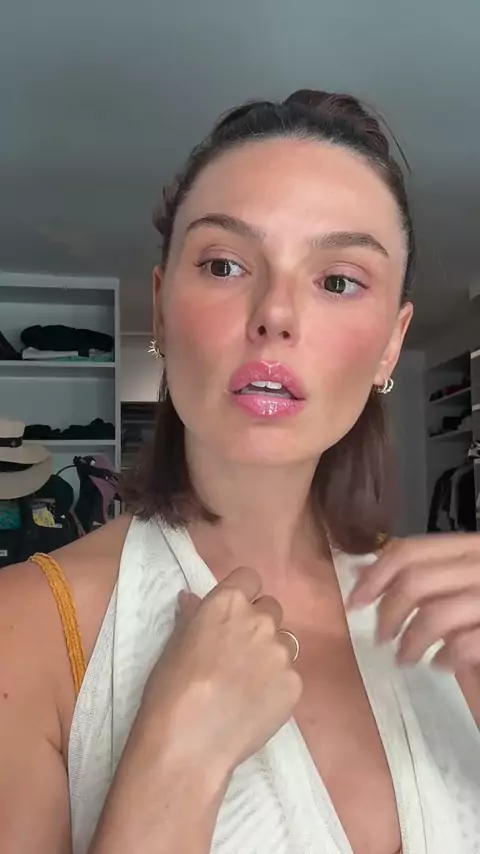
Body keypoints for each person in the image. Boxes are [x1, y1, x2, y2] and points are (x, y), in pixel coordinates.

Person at [1, 90, 480, 854]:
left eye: (338, 280)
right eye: (224, 264)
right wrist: (175, 762)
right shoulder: (22, 630)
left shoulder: (453, 624)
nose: (275, 314)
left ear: (391, 344)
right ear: (162, 309)